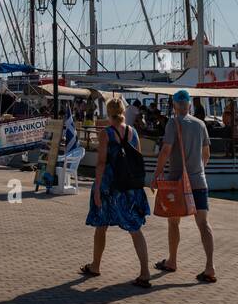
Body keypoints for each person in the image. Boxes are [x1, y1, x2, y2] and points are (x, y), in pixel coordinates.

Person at [82, 97, 152, 288]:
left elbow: (102, 162)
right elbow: (136, 158)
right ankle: (145, 272)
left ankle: (96, 265)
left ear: (108, 113)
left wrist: (96, 188)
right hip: (129, 186)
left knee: (101, 225)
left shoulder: (106, 134)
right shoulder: (132, 132)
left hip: (109, 187)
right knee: (135, 229)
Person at [151, 89, 216, 283]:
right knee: (203, 224)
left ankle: (172, 260)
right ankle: (210, 267)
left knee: (173, 222)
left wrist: (156, 175)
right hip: (199, 181)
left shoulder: (173, 123)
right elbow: (207, 154)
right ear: (188, 105)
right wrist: (198, 170)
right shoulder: (200, 124)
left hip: (176, 183)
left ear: (174, 106)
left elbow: (165, 150)